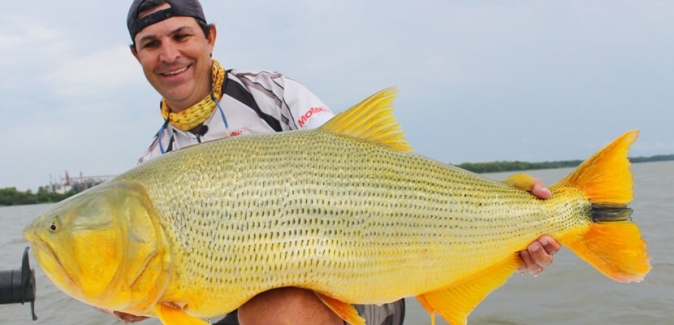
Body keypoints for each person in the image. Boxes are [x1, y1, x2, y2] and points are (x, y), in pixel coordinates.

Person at [104, 0, 562, 324]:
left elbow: (359, 160)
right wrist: (128, 300)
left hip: (363, 286)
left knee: (272, 313)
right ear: (135, 55)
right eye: (151, 43)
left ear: (210, 37)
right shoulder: (153, 167)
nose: (169, 55)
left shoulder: (274, 93)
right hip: (251, 311)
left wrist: (511, 230)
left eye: (181, 35)